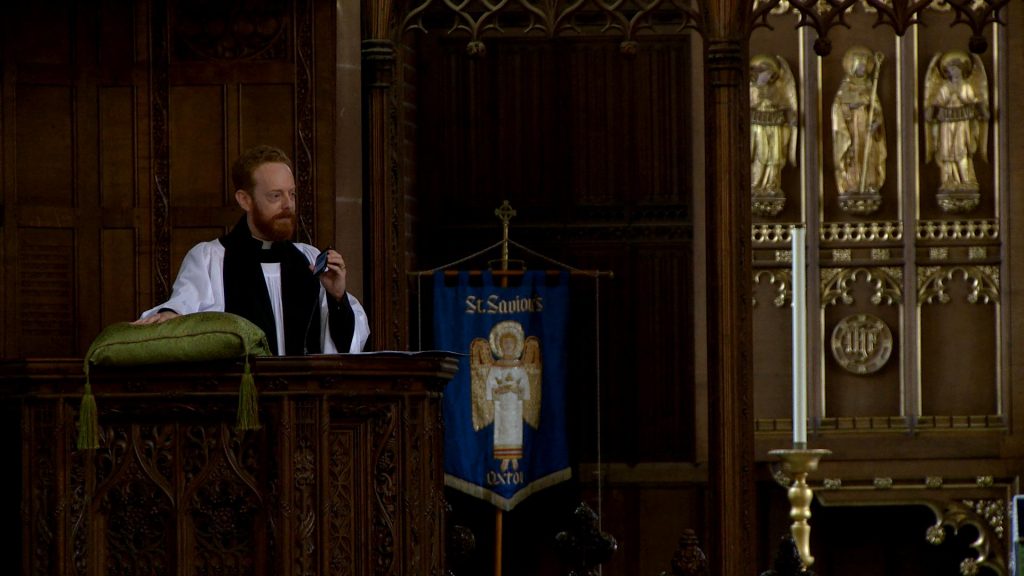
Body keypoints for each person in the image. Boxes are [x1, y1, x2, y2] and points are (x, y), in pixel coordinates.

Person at [134, 145, 370, 355]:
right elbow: (183, 309)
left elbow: (347, 345)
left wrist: (337, 297)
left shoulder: (308, 259)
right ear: (244, 200)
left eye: (292, 194)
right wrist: (171, 316)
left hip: (302, 398)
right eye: (275, 196)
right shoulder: (212, 259)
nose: (288, 205)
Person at [923, 49, 989, 199]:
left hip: (962, 124)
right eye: (951, 69)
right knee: (947, 152)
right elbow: (936, 102)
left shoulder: (966, 87)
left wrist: (981, 110)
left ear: (962, 71)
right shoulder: (945, 87)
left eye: (957, 69)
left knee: (961, 150)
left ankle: (966, 180)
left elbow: (973, 101)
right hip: (946, 125)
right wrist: (931, 110)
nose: (954, 72)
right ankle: (948, 181)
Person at [831, 45, 886, 209]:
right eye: (860, 66)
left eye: (865, 67)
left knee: (869, 155)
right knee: (853, 155)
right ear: (853, 66)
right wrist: (853, 106)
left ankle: (870, 183)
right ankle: (853, 185)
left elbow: (877, 111)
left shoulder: (870, 88)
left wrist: (876, 122)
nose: (863, 70)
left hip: (866, 128)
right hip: (851, 130)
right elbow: (837, 110)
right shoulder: (845, 88)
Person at [749, 53, 798, 216]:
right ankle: (757, 186)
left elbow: (786, 106)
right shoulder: (751, 88)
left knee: (774, 157)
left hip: (775, 127)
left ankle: (771, 186)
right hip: (758, 128)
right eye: (765, 72)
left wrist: (791, 118)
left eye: (770, 73)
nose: (768, 76)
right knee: (760, 156)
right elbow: (748, 106)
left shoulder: (777, 89)